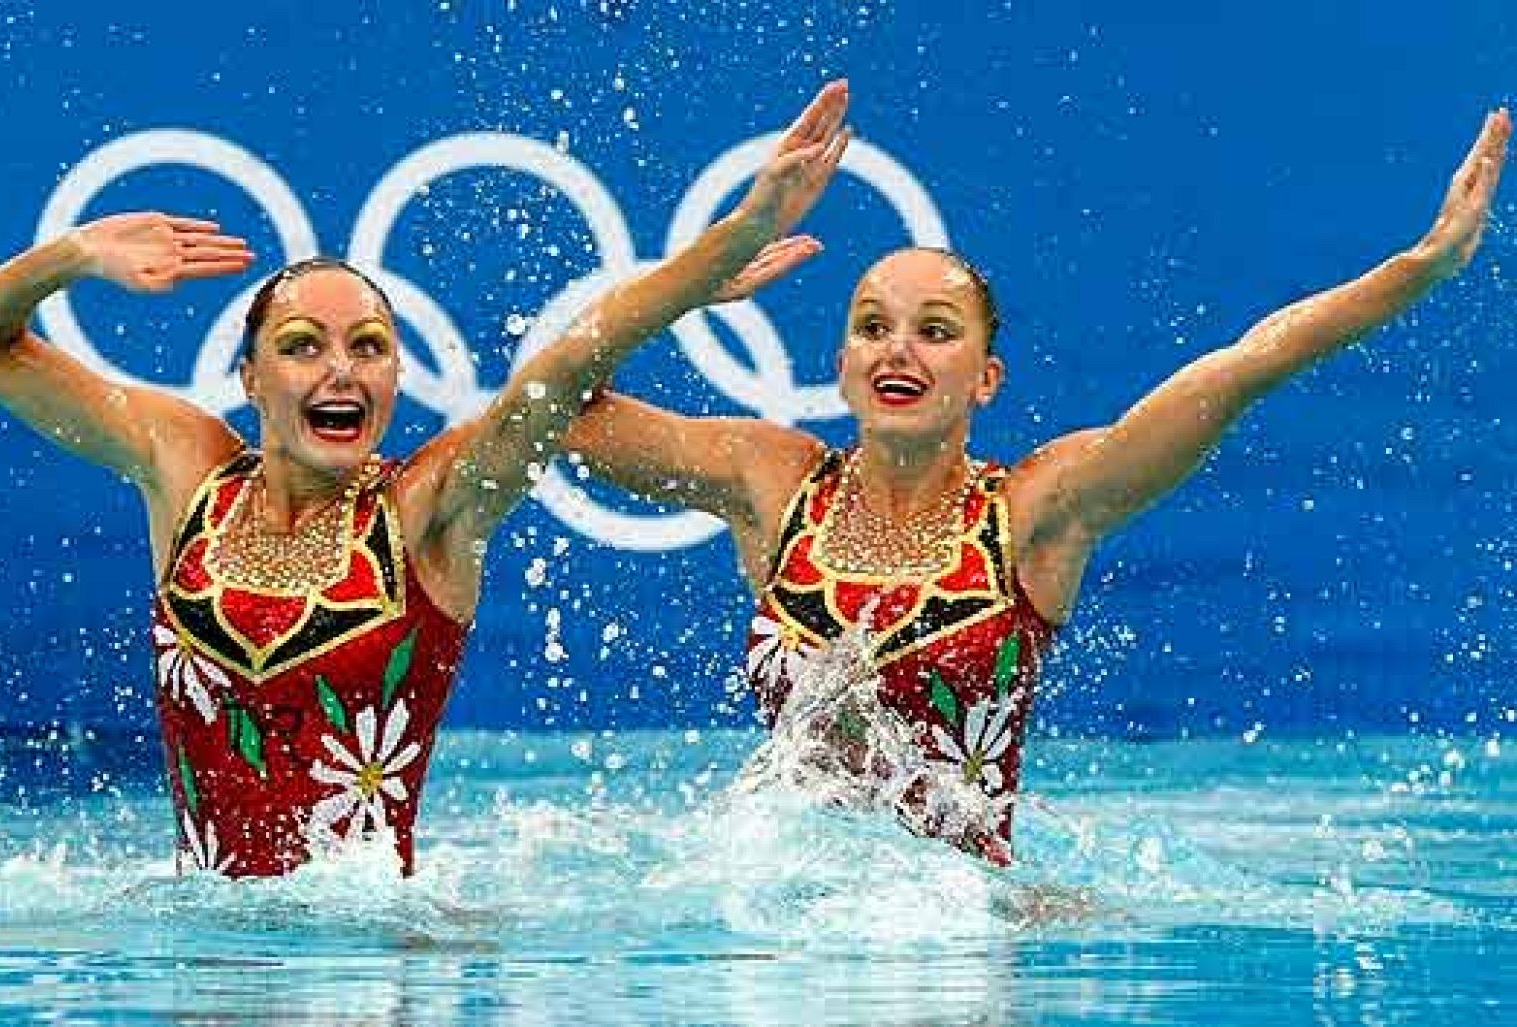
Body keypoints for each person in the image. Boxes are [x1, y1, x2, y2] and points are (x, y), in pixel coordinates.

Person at [0, 81, 853, 877]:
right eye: (301, 347)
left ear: (396, 377)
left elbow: (556, 381)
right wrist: (72, 256)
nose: (341, 371)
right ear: (250, 376)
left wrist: (722, 249)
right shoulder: (188, 472)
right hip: (199, 967)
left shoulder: (426, 512)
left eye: (370, 347)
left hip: (371, 970)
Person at [565, 109, 1511, 865]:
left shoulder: (1032, 515)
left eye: (935, 330)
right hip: (767, 935)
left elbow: (1235, 373)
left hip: (954, 946)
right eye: (870, 327)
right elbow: (555, 408)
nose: (898, 348)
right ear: (843, 365)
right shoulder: (772, 484)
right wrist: (701, 274)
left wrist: (1417, 269)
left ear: (987, 378)